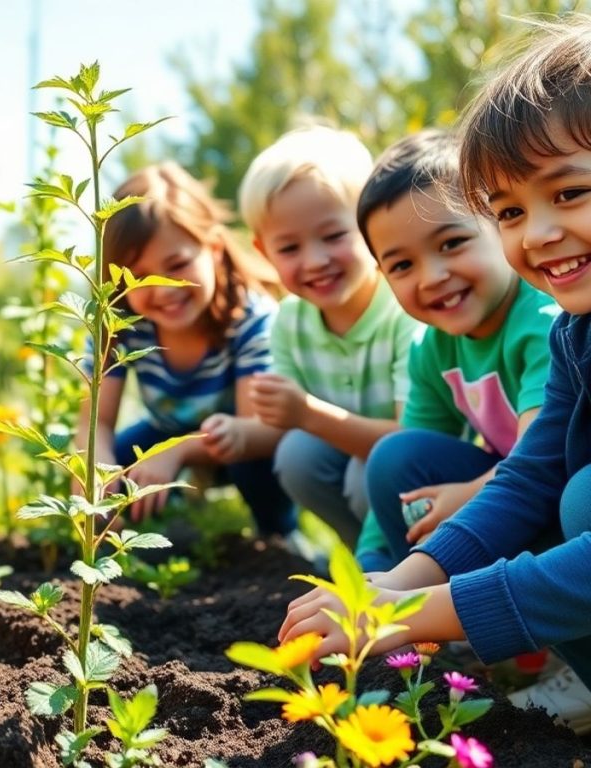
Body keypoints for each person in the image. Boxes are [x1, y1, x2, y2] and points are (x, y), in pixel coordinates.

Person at [280, 17, 591, 735]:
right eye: (510, 210)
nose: (538, 233)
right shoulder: (580, 332)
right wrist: (391, 584)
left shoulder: (546, 325)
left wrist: (411, 613)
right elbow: (528, 475)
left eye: (568, 194)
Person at [353, 129, 559, 571]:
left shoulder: (542, 322)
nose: (432, 277)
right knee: (395, 459)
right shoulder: (431, 348)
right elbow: (404, 460)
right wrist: (370, 561)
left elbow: (542, 458)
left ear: (500, 224)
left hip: (558, 493)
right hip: (504, 499)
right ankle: (409, 621)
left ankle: (515, 626)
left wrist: (470, 494)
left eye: (452, 243)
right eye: (403, 265)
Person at [75, 162, 295, 535]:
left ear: (211, 248)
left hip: (238, 441)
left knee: (254, 463)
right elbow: (94, 424)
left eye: (176, 265)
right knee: (117, 457)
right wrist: (98, 472)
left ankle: (278, 538)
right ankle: (144, 541)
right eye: (137, 277)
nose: (163, 289)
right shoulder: (120, 324)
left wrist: (177, 453)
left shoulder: (250, 318)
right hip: (164, 433)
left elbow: (254, 429)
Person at [238, 126, 422, 549]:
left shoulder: (403, 309)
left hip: (417, 467)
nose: (316, 261)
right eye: (289, 248)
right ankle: (364, 558)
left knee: (366, 476)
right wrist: (236, 433)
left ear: (371, 228)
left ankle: (409, 568)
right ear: (263, 251)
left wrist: (306, 414)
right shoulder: (290, 320)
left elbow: (410, 440)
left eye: (334, 236)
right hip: (360, 459)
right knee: (297, 456)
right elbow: (285, 424)